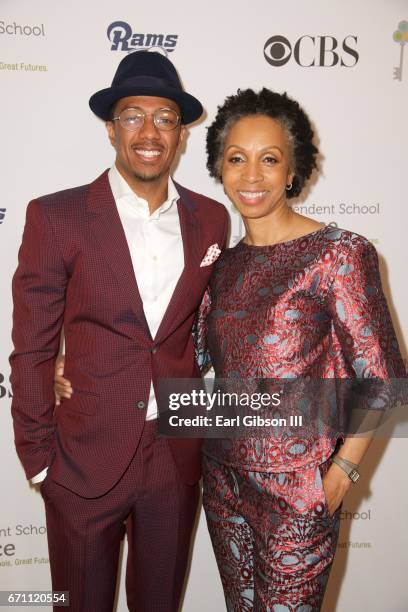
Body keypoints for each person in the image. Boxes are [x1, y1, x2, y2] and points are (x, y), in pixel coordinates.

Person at [9, 51, 229, 612]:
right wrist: (39, 459)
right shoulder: (56, 216)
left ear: (181, 134)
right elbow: (31, 348)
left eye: (165, 118)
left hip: (173, 460)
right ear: (111, 128)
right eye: (133, 116)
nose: (150, 132)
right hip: (80, 461)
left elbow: (201, 331)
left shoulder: (211, 219)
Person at [196, 88, 406, 610]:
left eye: (269, 160)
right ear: (219, 168)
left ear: (293, 170)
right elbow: (188, 356)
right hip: (221, 477)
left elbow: (384, 380)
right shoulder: (221, 266)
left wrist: (342, 474)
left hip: (299, 490)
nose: (251, 176)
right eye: (236, 159)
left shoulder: (339, 253)